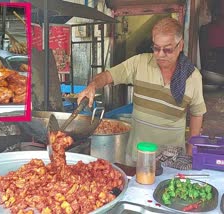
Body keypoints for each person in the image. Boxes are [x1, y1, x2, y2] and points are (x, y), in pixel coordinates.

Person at [77, 17, 206, 166]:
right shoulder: (139, 63)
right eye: (156, 48)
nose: (160, 54)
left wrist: (190, 153)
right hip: (137, 157)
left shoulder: (192, 76)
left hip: (172, 160)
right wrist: (92, 85)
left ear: (180, 45)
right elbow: (108, 76)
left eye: (168, 49)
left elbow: (197, 113)